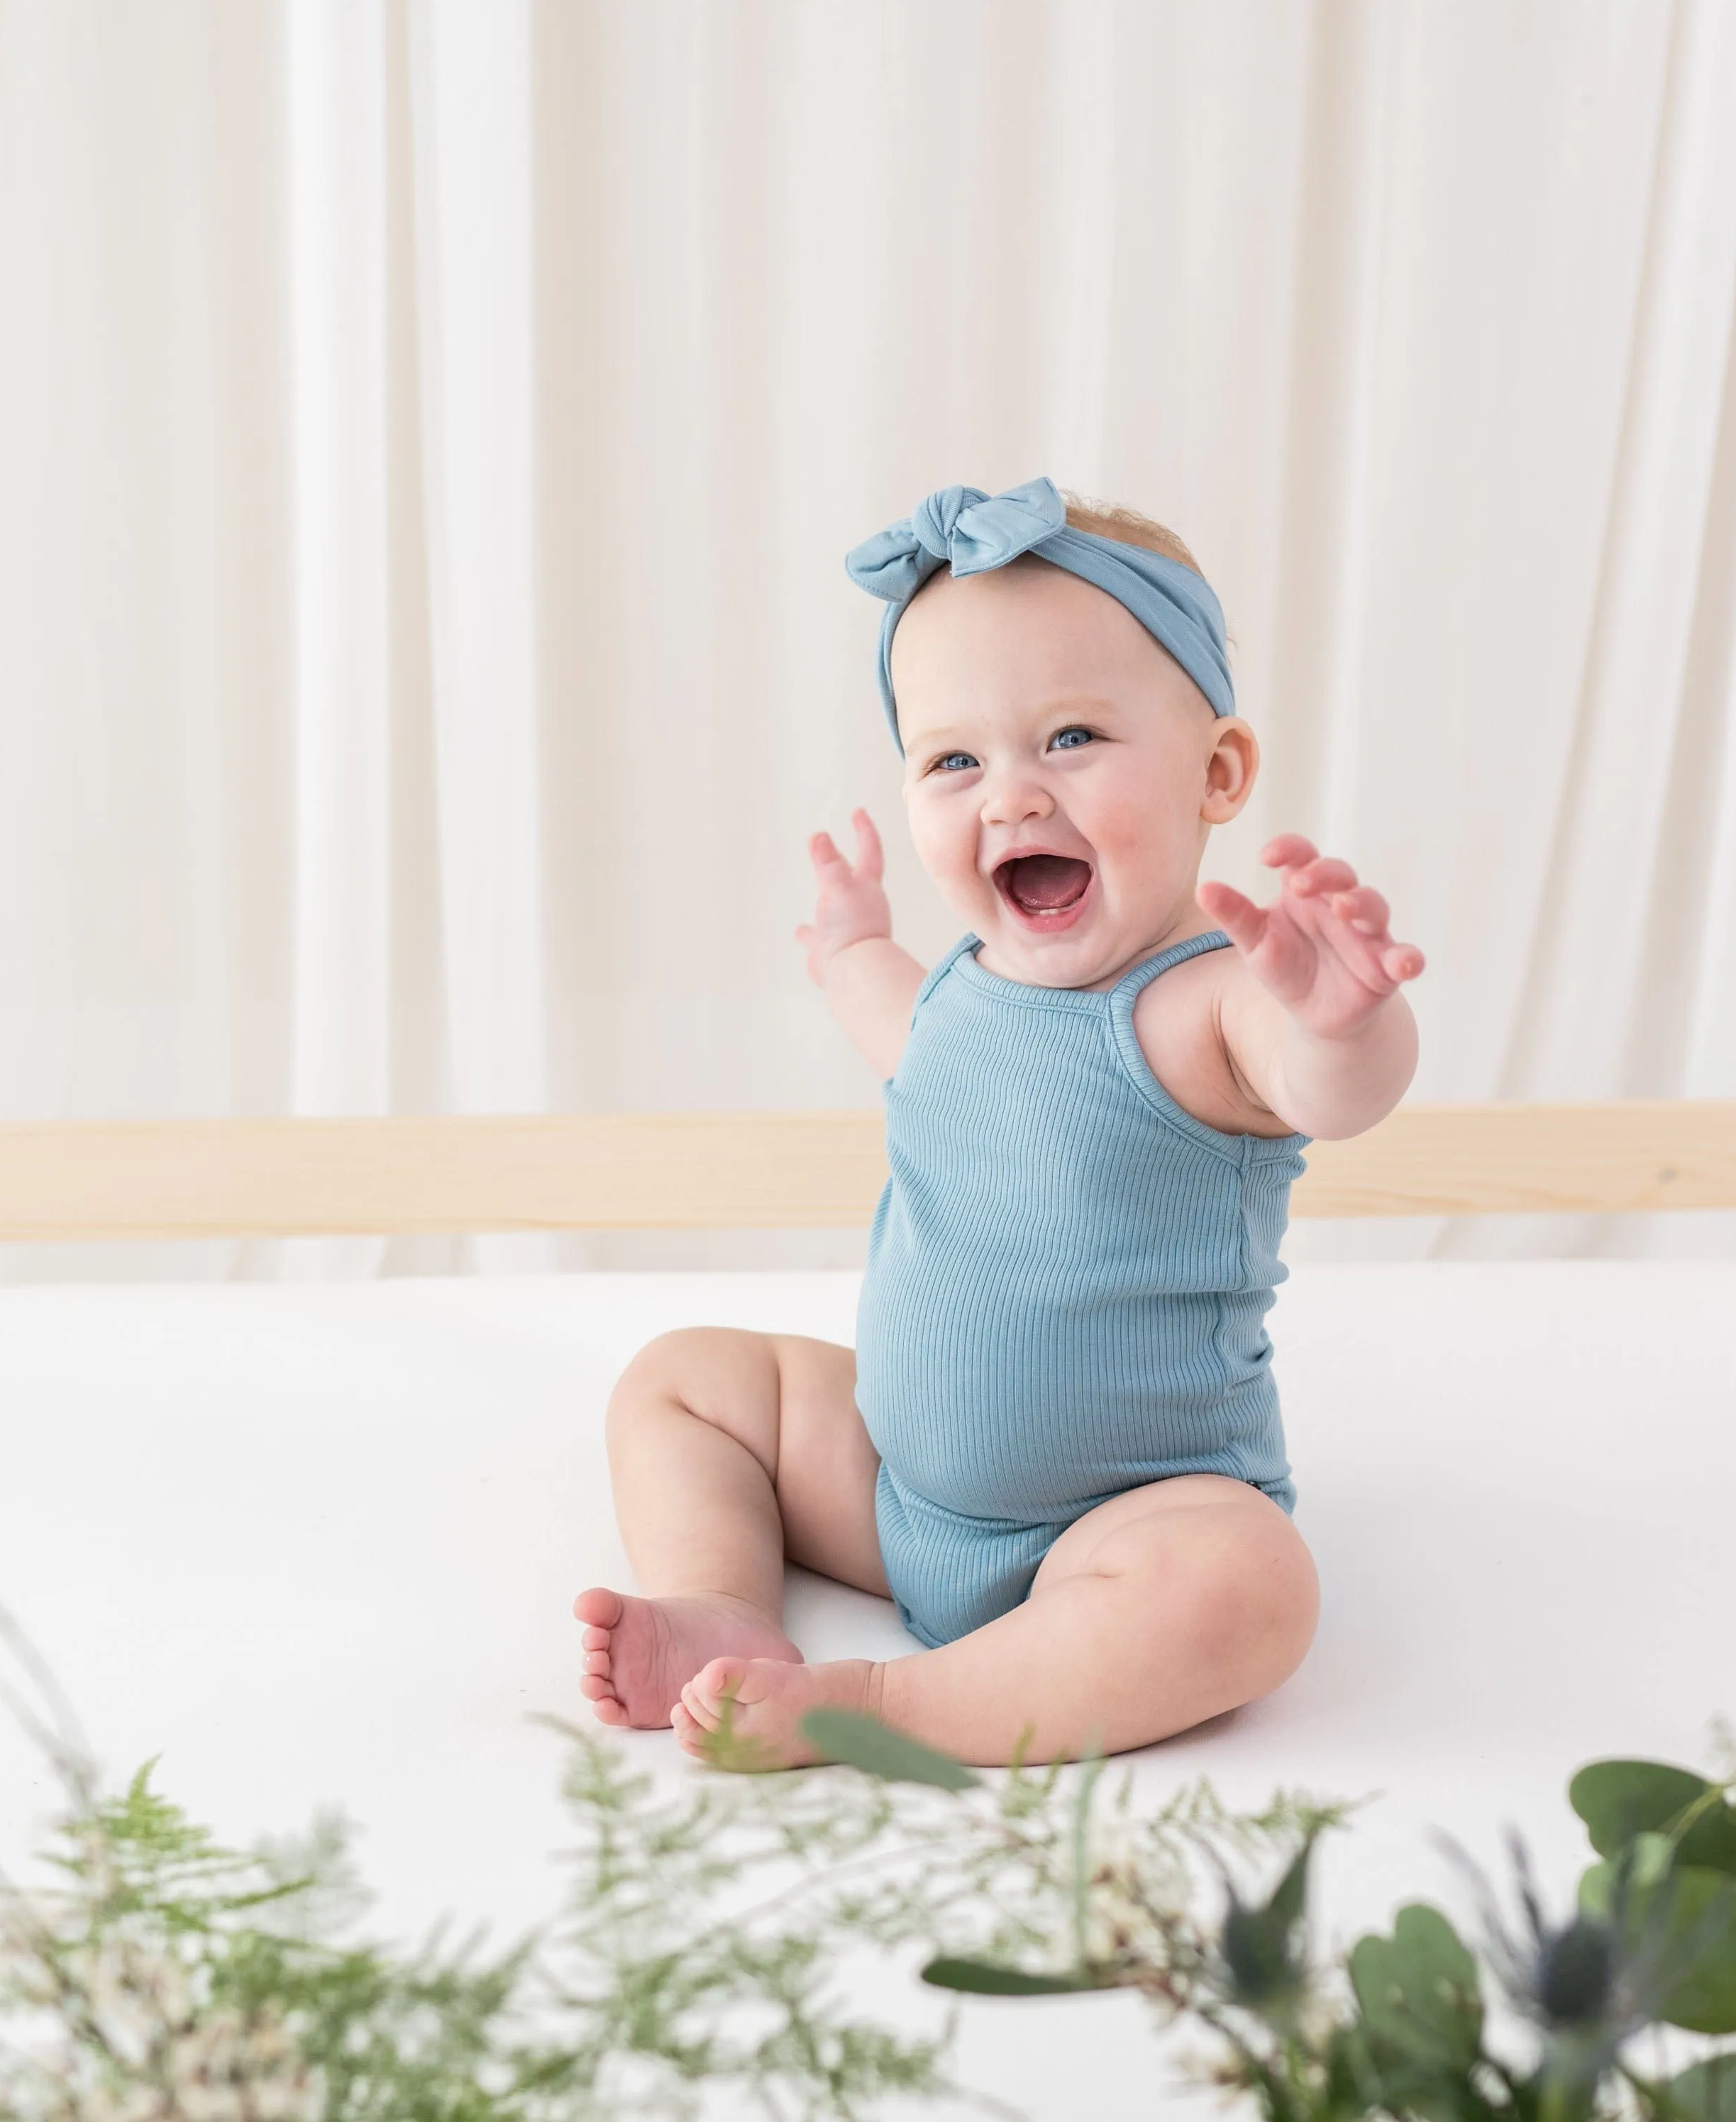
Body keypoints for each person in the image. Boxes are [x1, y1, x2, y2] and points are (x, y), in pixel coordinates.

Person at [574, 477, 1425, 1767]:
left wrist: (1345, 1018)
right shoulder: (965, 990)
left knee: (1250, 1587)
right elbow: (901, 1034)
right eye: (955, 760)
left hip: (1119, 1526)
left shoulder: (1210, 1007)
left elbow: (1331, 1091)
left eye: (1073, 737)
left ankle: (897, 1708)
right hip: (894, 1489)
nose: (1010, 796)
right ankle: (724, 1610)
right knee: (683, 1379)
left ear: (1218, 772)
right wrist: (854, 945)